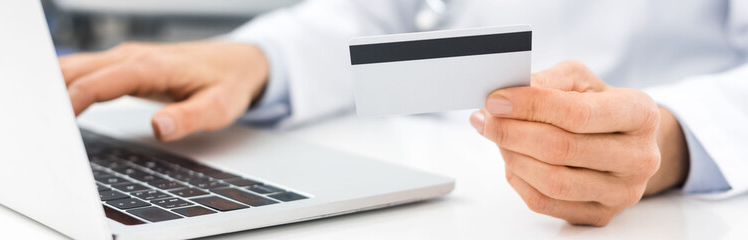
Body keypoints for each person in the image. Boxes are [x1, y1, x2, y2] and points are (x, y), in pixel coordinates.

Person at [59, 0, 748, 226]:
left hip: (660, 213)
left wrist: (671, 136)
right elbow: (391, 14)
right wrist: (261, 60)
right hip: (407, 167)